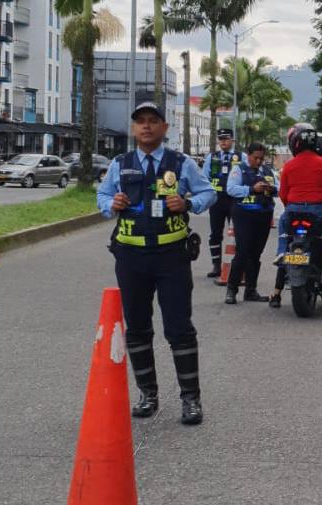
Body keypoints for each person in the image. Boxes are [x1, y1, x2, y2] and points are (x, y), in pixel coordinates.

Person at [96, 101, 217, 425]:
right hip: (131, 257)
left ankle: (191, 399)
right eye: (140, 122)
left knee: (179, 328)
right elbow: (102, 197)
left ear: (165, 128)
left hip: (171, 258)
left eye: (153, 121)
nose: (146, 126)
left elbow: (209, 194)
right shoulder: (119, 164)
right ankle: (147, 394)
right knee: (137, 329)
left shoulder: (182, 163)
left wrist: (187, 202)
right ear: (134, 128)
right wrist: (113, 203)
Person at [274, 123, 322, 264]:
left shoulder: (288, 165)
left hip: (293, 210)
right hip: (319, 211)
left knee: (283, 222)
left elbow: (282, 194)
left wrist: (291, 207)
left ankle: (281, 251)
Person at [224, 142, 276, 305]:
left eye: (261, 158)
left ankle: (251, 290)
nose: (259, 161)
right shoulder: (239, 169)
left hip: (263, 214)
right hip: (244, 214)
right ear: (248, 155)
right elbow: (231, 189)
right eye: (256, 158)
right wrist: (252, 189)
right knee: (242, 252)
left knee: (256, 253)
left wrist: (271, 188)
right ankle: (232, 290)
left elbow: (279, 188)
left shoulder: (267, 171)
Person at [205, 128, 244, 280]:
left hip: (234, 200)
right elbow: (204, 178)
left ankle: (237, 266)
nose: (223, 142)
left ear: (233, 140)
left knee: (238, 234)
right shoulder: (212, 157)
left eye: (226, 139)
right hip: (217, 200)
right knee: (215, 233)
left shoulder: (241, 156)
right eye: (220, 139)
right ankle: (216, 265)